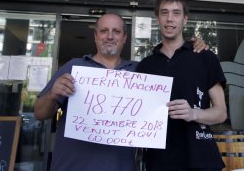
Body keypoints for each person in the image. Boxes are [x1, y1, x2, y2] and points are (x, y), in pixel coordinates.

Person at [34, 13, 208, 171]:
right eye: (104, 31)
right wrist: (52, 96)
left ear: (124, 38)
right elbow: (40, 113)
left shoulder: (139, 71)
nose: (110, 36)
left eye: (116, 31)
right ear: (95, 36)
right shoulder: (74, 67)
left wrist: (191, 47)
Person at [136, 0, 227, 171]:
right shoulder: (145, 66)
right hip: (158, 162)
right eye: (164, 12)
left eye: (176, 13)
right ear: (157, 19)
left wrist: (194, 113)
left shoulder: (205, 57)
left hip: (200, 159)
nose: (170, 19)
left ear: (185, 19)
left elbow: (221, 112)